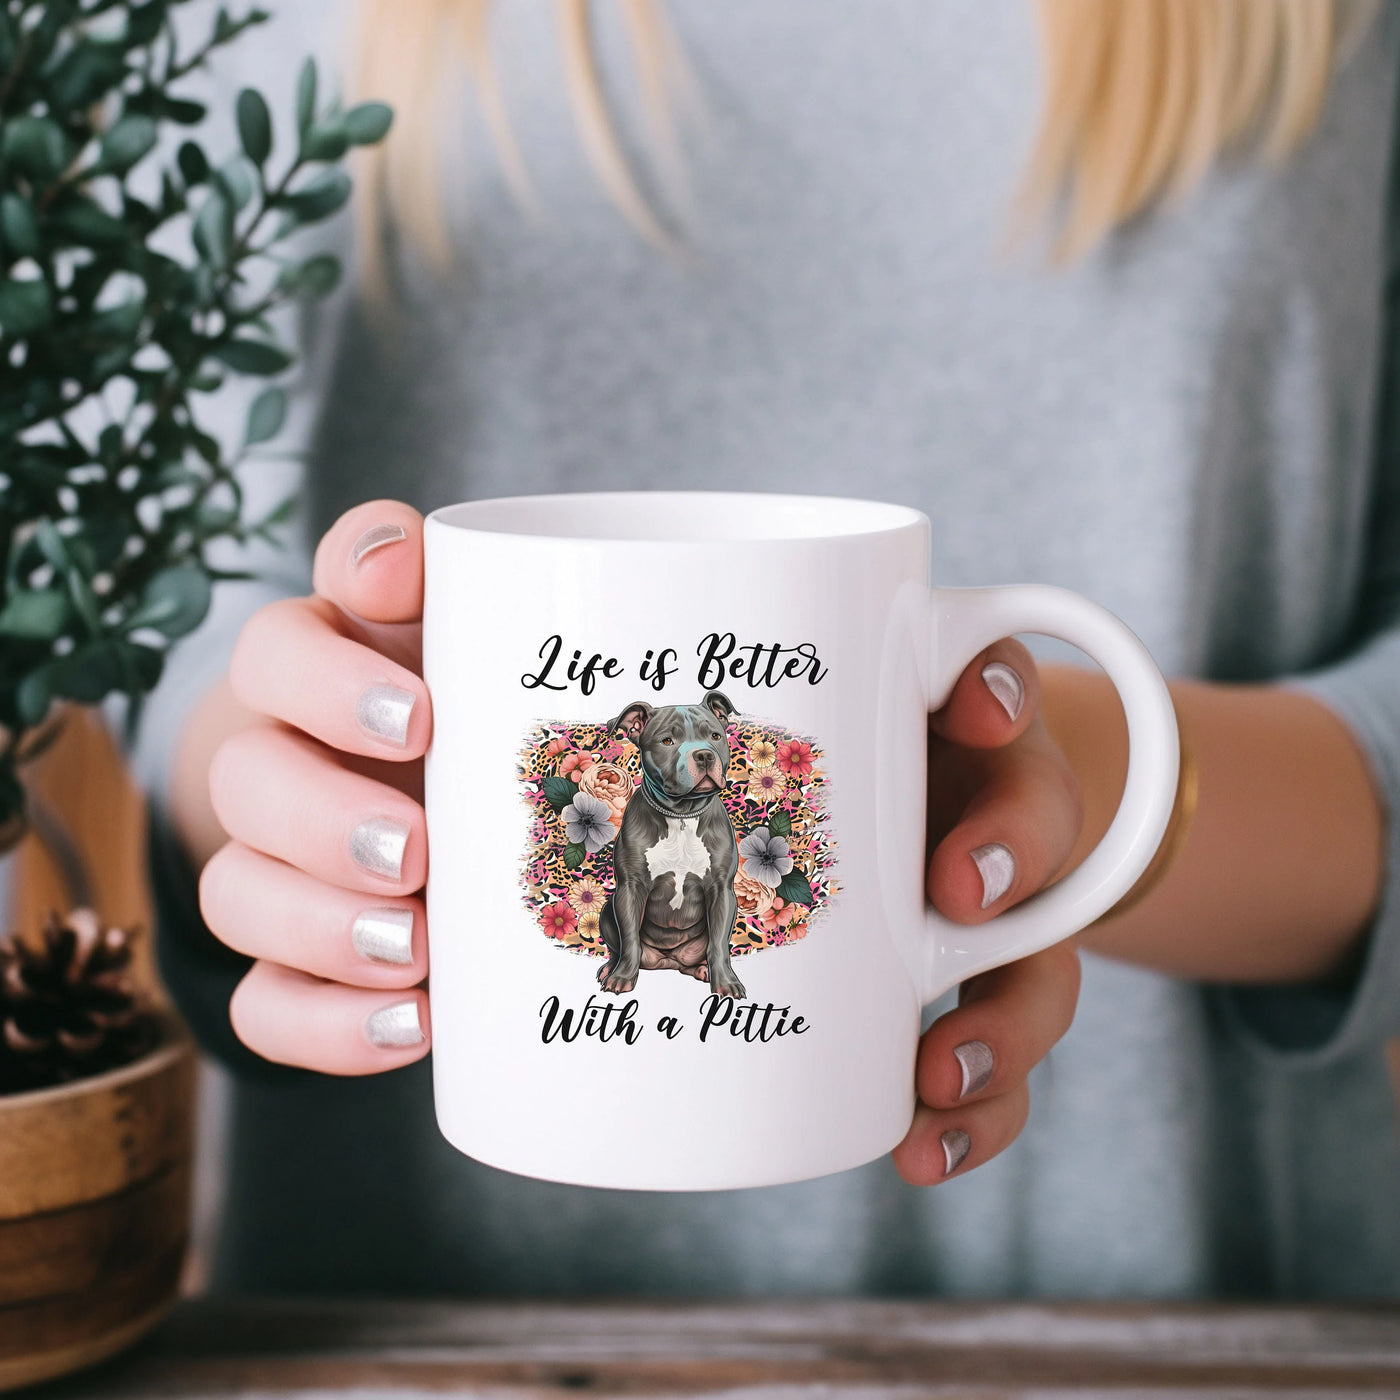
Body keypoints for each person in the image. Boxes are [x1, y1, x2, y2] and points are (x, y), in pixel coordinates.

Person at [144, 0, 1400, 1296]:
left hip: (1186, 1323)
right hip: (393, 1320)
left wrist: (1039, 779)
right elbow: (162, 599)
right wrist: (268, 786)